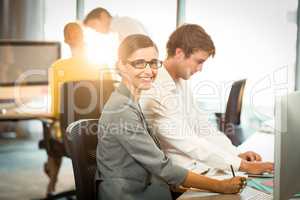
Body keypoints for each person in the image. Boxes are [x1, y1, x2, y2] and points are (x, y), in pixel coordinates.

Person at [96, 34, 246, 200]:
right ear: (122, 66)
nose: (149, 70)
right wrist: (220, 186)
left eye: (153, 63)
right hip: (129, 195)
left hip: (147, 188)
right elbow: (162, 167)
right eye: (139, 63)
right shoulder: (121, 109)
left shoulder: (131, 101)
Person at [140, 24, 274, 175]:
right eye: (199, 61)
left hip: (199, 167)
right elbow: (189, 143)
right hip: (181, 178)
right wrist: (242, 165)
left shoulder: (181, 82)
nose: (200, 69)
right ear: (179, 53)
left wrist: (235, 154)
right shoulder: (155, 89)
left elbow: (202, 127)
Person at [45, 22, 113, 195]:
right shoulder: (101, 65)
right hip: (101, 133)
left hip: (70, 136)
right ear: (85, 39)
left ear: (66, 40)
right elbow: (112, 102)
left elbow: (54, 111)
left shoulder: (58, 67)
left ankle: (52, 180)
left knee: (49, 133)